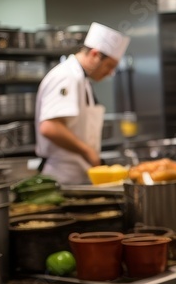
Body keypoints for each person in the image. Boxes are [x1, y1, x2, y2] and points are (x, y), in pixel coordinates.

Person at [34, 23, 130, 184]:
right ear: (94, 54)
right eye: (109, 66)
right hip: (63, 176)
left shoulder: (81, 79)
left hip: (78, 174)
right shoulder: (66, 76)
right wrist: (87, 151)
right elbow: (50, 127)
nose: (111, 73)